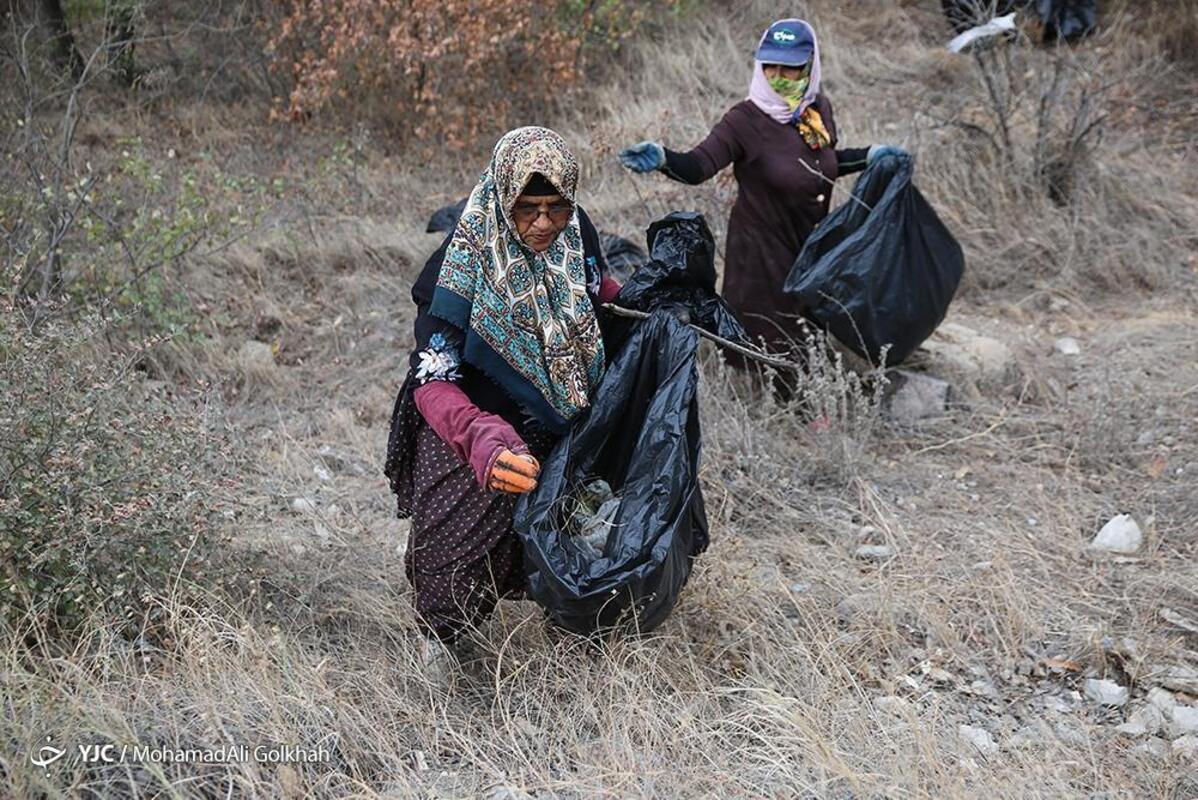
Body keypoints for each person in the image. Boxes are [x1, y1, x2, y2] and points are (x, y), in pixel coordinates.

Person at [384, 126, 624, 673]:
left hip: (553, 412)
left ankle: (571, 641)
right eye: (527, 209)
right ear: (501, 198)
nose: (543, 224)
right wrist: (480, 436)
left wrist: (649, 301)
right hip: (468, 419)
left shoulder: (575, 233)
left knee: (572, 532)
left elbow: (597, 290)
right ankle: (441, 650)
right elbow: (433, 379)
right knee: (453, 549)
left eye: (556, 207)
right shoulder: (460, 263)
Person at [619, 18, 905, 381]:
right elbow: (698, 165)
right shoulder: (744, 121)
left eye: (790, 68)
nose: (778, 76)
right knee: (771, 340)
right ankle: (777, 399)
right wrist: (663, 158)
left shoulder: (816, 110)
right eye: (770, 66)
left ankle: (808, 388)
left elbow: (821, 164)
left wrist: (870, 155)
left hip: (807, 243)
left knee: (809, 329)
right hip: (761, 253)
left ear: (810, 66)